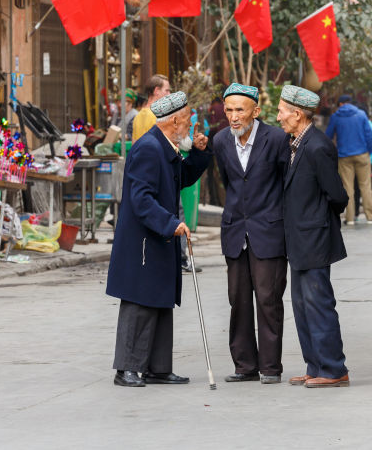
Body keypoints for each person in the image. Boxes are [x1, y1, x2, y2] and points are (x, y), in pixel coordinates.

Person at [105, 92, 211, 387]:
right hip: (143, 240)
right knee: (140, 302)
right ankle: (126, 368)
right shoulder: (148, 148)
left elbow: (181, 178)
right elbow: (141, 199)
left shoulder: (167, 146)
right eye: (188, 118)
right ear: (174, 120)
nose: (190, 123)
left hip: (160, 236)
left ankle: (157, 367)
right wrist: (171, 223)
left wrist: (200, 153)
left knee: (160, 300)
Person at [213, 83, 289, 385]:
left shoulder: (277, 139)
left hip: (268, 231)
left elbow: (286, 183)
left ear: (255, 111)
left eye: (240, 110)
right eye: (228, 110)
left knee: (268, 300)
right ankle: (245, 365)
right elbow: (229, 181)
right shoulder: (220, 141)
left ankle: (270, 367)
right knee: (238, 300)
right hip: (235, 232)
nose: (233, 116)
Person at [277, 85, 349, 388]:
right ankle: (314, 365)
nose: (278, 117)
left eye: (282, 111)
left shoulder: (318, 147)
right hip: (298, 238)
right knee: (302, 305)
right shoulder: (294, 143)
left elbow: (338, 196)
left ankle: (334, 369)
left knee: (318, 303)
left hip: (315, 238)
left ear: (297, 114)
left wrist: (316, 218)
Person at [325, 95, 372, 225]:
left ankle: (350, 218)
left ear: (340, 104)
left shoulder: (336, 116)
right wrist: (369, 151)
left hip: (344, 156)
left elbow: (328, 136)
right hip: (362, 154)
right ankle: (370, 217)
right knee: (365, 186)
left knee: (348, 188)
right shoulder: (361, 114)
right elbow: (369, 134)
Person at [132, 74, 171, 142]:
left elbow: (134, 145)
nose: (169, 94)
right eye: (166, 90)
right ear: (157, 91)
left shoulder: (138, 116)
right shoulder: (158, 117)